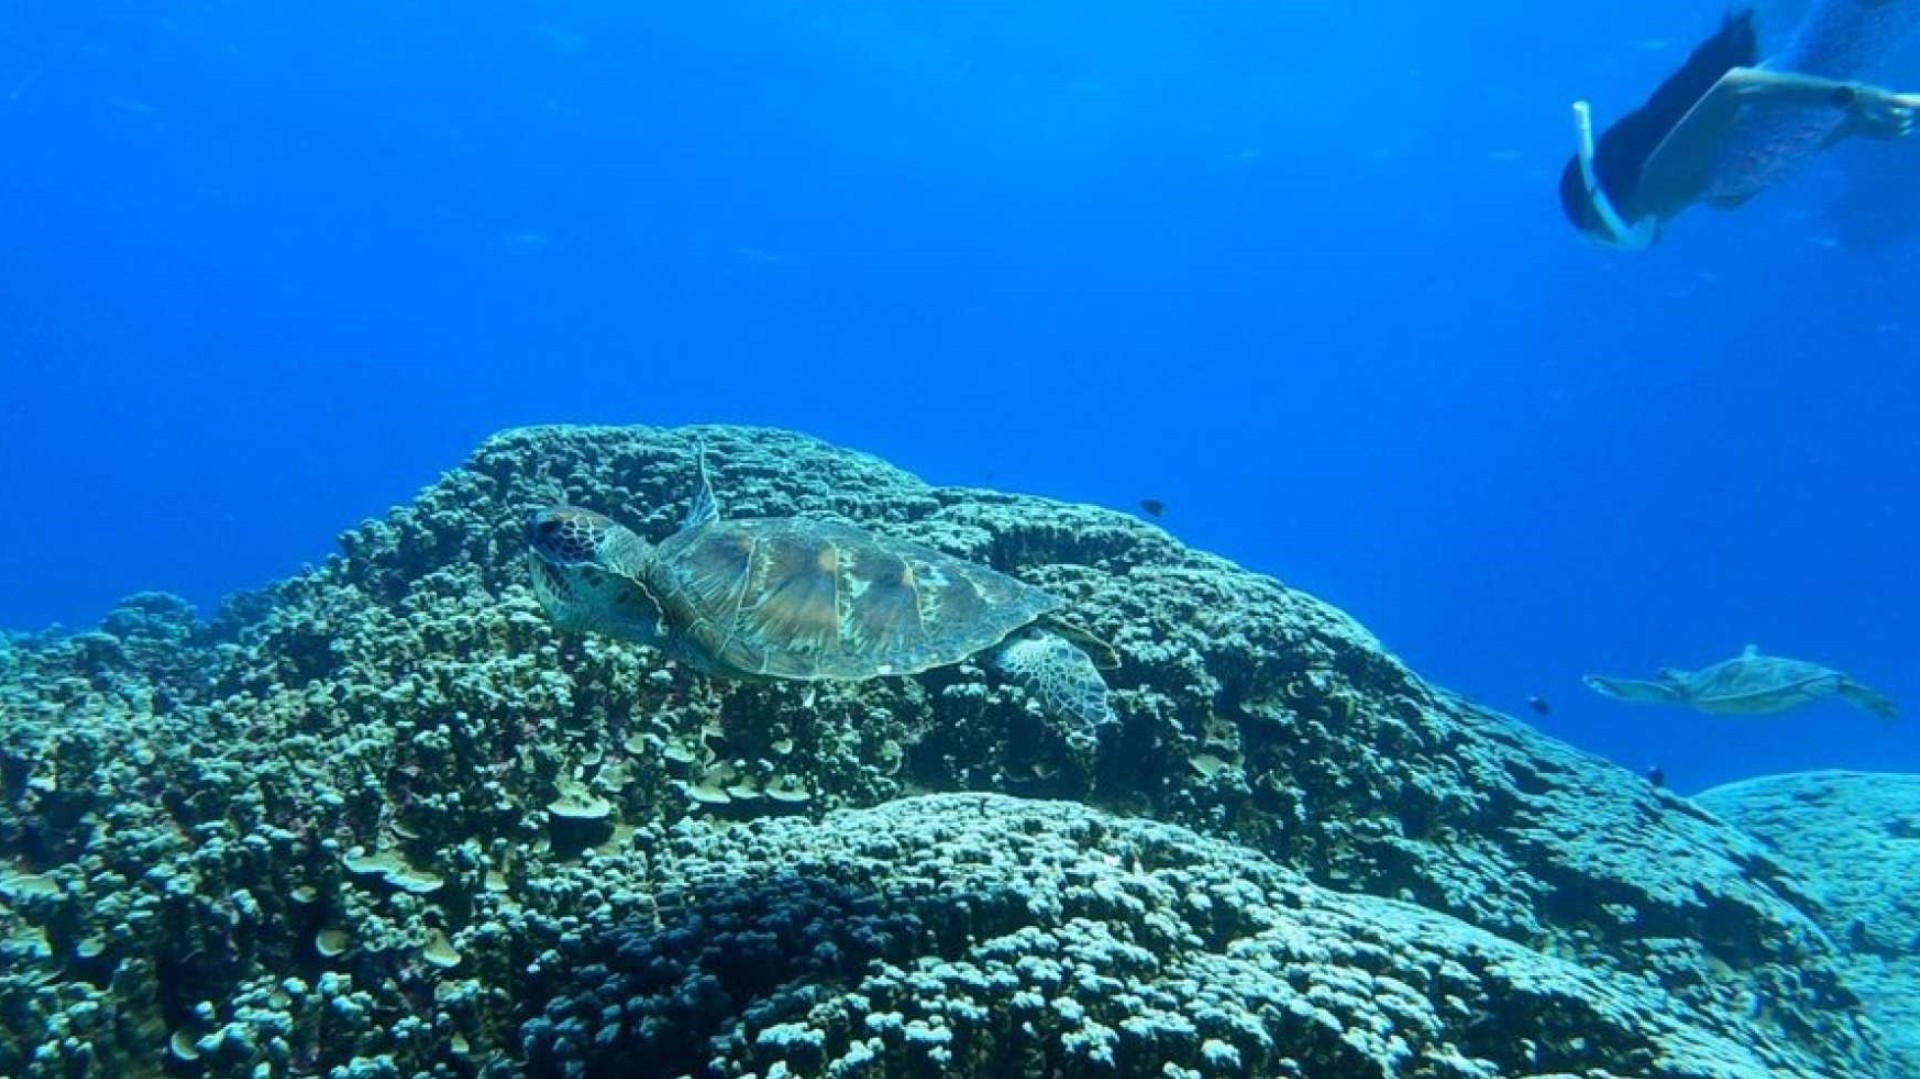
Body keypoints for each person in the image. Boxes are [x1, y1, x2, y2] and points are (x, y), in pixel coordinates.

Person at [1561, 3, 1920, 249]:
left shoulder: (1663, 181)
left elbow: (1736, 86)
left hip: (1850, 26)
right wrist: (1857, 125)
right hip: (1877, 41)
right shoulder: (1731, 195)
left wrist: (1848, 97)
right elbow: (1804, 140)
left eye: (1604, 233)